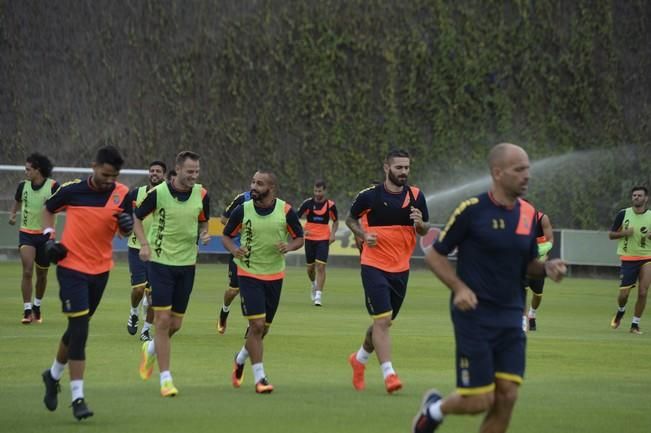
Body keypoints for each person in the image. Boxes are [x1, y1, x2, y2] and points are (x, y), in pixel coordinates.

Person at [411, 143, 567, 433]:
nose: (527, 175)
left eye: (528, 169)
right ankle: (433, 410)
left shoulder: (527, 215)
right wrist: (458, 287)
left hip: (511, 316)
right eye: (519, 169)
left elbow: (528, 263)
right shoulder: (472, 210)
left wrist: (546, 268)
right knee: (480, 399)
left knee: (507, 395)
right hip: (474, 316)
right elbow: (434, 254)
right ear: (497, 173)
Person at [40, 145, 133, 420]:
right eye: (105, 174)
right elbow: (48, 210)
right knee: (80, 330)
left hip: (100, 271)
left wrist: (126, 225)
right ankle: (78, 398)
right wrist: (49, 239)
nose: (109, 180)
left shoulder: (122, 194)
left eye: (113, 176)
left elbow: (123, 232)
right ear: (94, 166)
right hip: (71, 268)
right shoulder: (71, 190)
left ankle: (52, 374)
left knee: (77, 328)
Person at [345, 149, 429, 394]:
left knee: (383, 323)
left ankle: (359, 359)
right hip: (373, 265)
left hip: (401, 269)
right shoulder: (369, 196)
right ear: (386, 168)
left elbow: (424, 230)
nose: (403, 172)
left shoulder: (416, 196)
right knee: (382, 320)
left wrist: (420, 222)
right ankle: (389, 374)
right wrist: (363, 235)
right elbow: (351, 220)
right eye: (399, 167)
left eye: (407, 168)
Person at [135, 151, 210, 397]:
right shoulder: (158, 193)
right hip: (161, 263)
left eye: (197, 171)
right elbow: (137, 218)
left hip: (187, 266)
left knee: (175, 324)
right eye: (190, 171)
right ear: (177, 170)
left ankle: (151, 349)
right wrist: (144, 244)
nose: (194, 176)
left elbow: (203, 220)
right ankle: (166, 379)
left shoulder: (202, 194)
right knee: (163, 320)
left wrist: (204, 233)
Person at [222, 170, 304, 394]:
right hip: (248, 273)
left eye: (259, 184)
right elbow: (226, 234)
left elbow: (299, 237)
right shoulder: (243, 209)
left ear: (271, 189)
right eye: (253, 182)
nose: (254, 187)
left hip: (275, 276)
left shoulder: (285, 210)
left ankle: (239, 359)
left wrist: (290, 247)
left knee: (262, 330)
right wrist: (234, 250)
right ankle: (260, 378)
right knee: (256, 326)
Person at [8, 153, 58, 324]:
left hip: (45, 236)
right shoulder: (23, 186)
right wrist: (13, 214)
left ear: (38, 170)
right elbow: (16, 201)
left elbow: (62, 203)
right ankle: (27, 309)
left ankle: (37, 305)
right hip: (26, 234)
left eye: (28, 169)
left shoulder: (52, 186)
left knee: (42, 274)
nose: (26, 172)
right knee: (27, 270)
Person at [125, 160, 167, 341]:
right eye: (152, 170)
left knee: (154, 295)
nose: (154, 173)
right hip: (136, 247)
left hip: (158, 251)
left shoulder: (166, 195)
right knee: (139, 289)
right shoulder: (136, 194)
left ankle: (146, 330)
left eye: (158, 171)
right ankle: (133, 312)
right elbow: (125, 214)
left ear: (164, 175)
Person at [608, 186, 651, 335]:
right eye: (634, 195)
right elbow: (611, 235)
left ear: (646, 198)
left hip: (647, 257)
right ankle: (621, 311)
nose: (636, 198)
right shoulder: (623, 214)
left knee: (643, 292)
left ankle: (635, 325)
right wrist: (624, 233)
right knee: (623, 295)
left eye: (639, 195)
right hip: (628, 258)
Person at [297, 179, 339, 306]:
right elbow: (295, 217)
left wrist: (332, 234)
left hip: (323, 239)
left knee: (321, 266)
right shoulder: (307, 204)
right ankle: (314, 284)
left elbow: (335, 221)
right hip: (310, 239)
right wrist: (302, 231)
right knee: (310, 269)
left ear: (325, 191)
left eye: (319, 191)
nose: (317, 193)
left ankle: (318, 296)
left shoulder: (330, 205)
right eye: (315, 190)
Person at [216, 190, 252, 335]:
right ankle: (224, 311)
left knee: (253, 289)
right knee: (233, 290)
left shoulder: (272, 204)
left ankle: (252, 325)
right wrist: (244, 227)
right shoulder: (242, 199)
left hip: (258, 254)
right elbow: (224, 219)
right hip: (238, 250)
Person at [523, 208, 554, 331]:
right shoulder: (515, 219)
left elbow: (550, 240)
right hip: (523, 266)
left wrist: (541, 256)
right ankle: (523, 321)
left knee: (538, 295)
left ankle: (532, 314)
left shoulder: (542, 218)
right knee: (521, 293)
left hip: (539, 264)